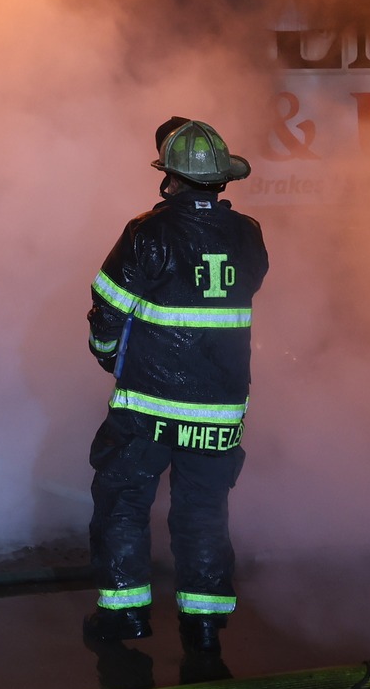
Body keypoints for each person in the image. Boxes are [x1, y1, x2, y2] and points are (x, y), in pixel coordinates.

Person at [83, 118, 268, 658]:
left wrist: (105, 353)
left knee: (123, 499)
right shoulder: (249, 234)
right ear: (223, 178)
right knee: (204, 509)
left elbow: (108, 308)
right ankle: (204, 626)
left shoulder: (148, 232)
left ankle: (125, 614)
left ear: (169, 177)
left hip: (147, 402)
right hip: (220, 407)